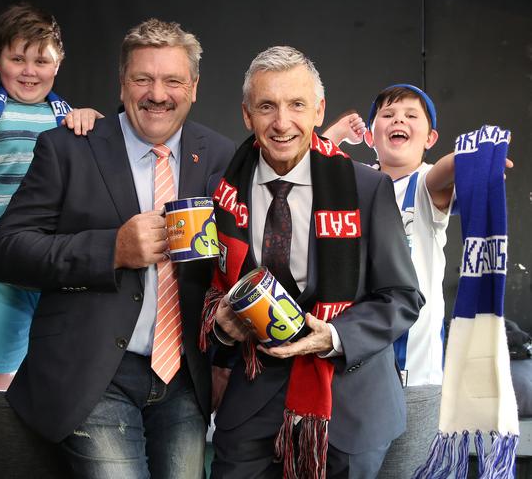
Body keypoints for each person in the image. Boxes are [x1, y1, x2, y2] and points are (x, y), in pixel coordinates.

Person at [0, 18, 236, 478]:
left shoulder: (222, 157)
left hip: (183, 379)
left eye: (172, 80)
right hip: (91, 374)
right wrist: (112, 250)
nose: (156, 94)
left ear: (194, 88)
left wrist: (224, 360)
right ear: (122, 84)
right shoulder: (68, 148)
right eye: (142, 78)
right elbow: (8, 251)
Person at [202, 46, 424, 479]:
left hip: (348, 411)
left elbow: (402, 297)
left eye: (297, 105)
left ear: (319, 110)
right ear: (247, 115)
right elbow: (204, 293)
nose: (282, 123)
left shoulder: (366, 188)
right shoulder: (221, 192)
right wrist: (222, 331)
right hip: (250, 406)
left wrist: (335, 336)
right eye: (267, 106)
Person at [362, 84, 511, 478]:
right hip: (356, 377)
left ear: (428, 138)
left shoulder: (425, 185)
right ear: (369, 134)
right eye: (389, 115)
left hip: (419, 380)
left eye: (411, 116)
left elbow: (446, 169)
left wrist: (476, 159)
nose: (399, 120)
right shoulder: (351, 185)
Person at [0, 3, 100, 391]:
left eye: (41, 60)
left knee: (54, 379)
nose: (30, 71)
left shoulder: (66, 117)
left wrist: (89, 123)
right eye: (17, 58)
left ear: (58, 63)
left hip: (50, 267)